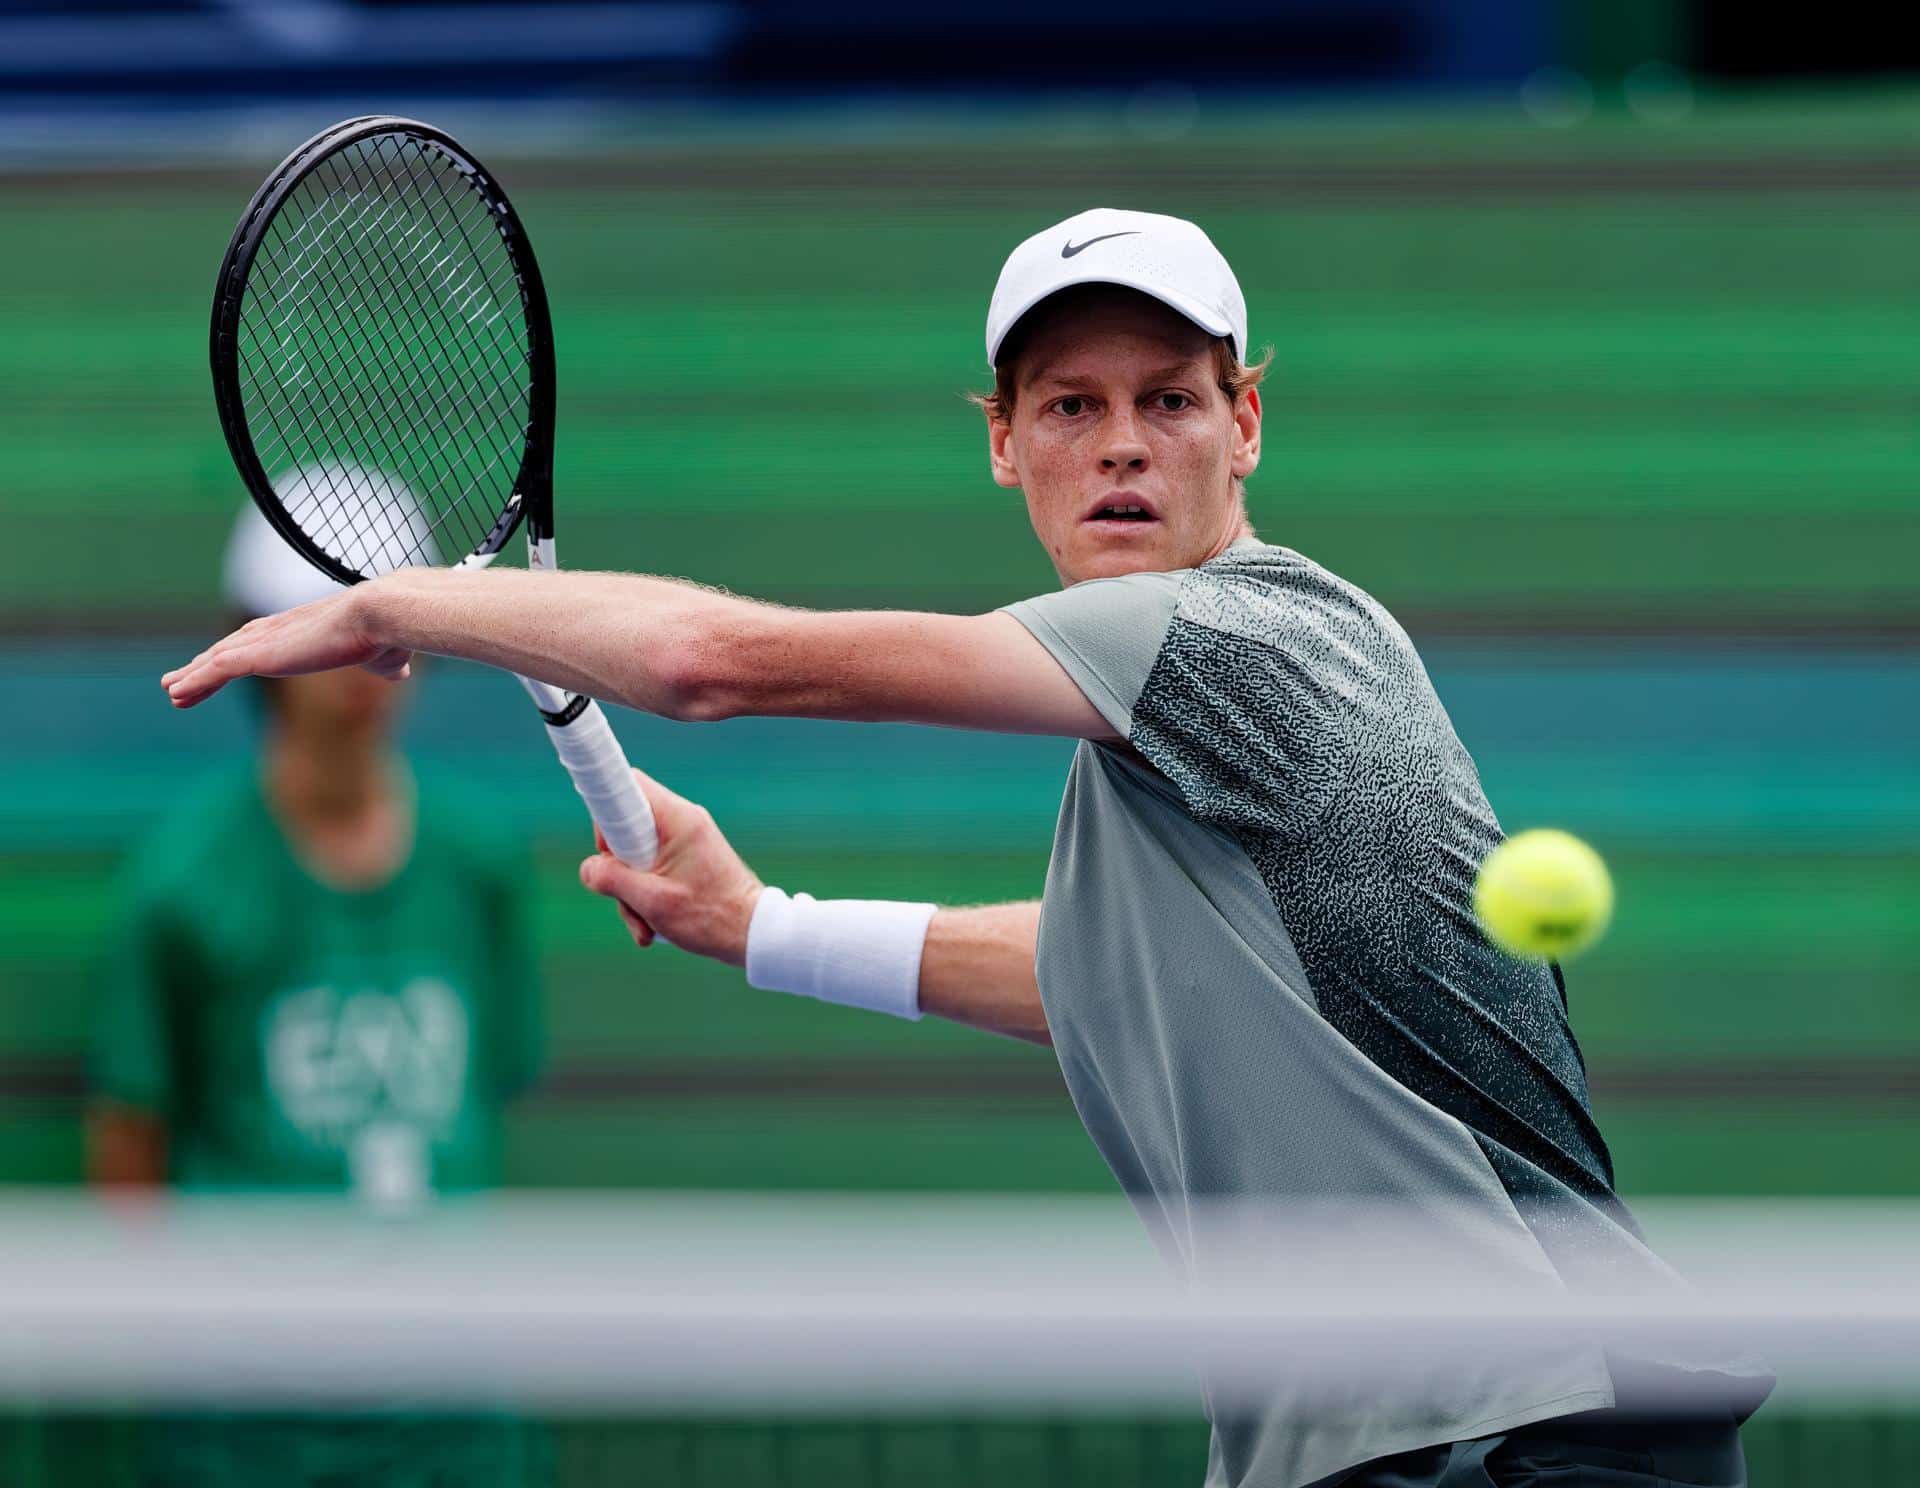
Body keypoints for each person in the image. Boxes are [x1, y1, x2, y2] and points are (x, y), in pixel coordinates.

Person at [162, 209, 1771, 1487]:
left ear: (1247, 425)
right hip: (1416, 1443)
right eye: (1073, 406)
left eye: (1172, 400)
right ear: (1005, 442)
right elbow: (1110, 983)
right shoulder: (1169, 740)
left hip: (1519, 1436)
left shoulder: (1238, 642)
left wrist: (387, 603)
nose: (1124, 444)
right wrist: (766, 924)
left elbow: (720, 668)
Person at [103, 489, 545, 1486]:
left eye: (389, 625)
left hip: (453, 1431)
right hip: (246, 1435)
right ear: (260, 642)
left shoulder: (481, 863)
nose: (364, 664)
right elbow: (129, 1144)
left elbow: (490, 1095)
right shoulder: (180, 880)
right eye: (334, 626)